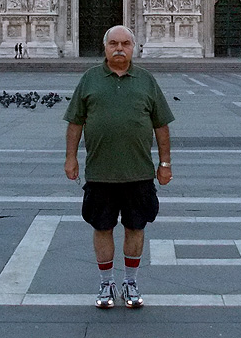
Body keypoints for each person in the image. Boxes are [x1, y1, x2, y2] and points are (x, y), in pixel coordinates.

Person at [64, 25, 174, 310]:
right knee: (102, 226)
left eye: (125, 43)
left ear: (133, 47)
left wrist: (165, 163)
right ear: (105, 47)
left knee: (136, 226)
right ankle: (105, 282)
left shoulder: (146, 80)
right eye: (113, 43)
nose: (119, 48)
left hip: (138, 173)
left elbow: (161, 126)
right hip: (100, 173)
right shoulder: (89, 79)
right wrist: (71, 158)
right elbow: (75, 122)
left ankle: (131, 281)